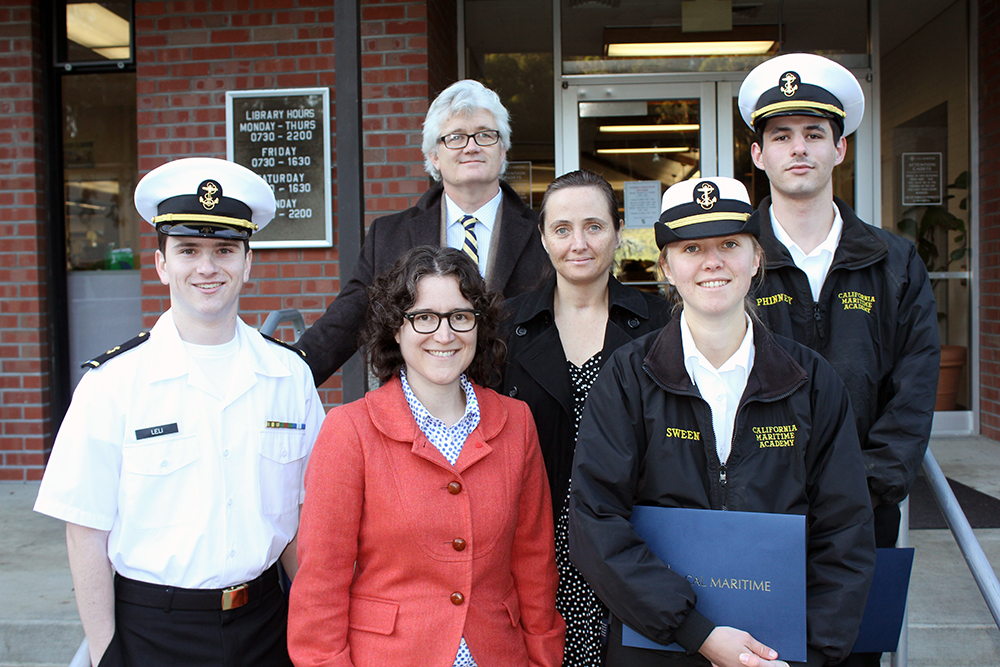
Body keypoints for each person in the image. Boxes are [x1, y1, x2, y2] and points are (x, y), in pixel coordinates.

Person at [569, 177, 875, 667]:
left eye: (730, 244)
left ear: (757, 259)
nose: (713, 262)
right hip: (659, 646)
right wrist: (696, 632)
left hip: (782, 653)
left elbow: (846, 530)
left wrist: (811, 652)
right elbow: (595, 519)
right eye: (692, 248)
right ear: (666, 266)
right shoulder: (628, 377)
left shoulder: (811, 381)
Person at [33, 157, 325, 667]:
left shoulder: (288, 376)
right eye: (188, 249)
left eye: (225, 250)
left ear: (248, 263)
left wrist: (318, 626)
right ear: (162, 263)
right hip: (153, 632)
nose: (207, 267)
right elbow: (85, 531)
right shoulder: (113, 383)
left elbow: (302, 518)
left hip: (267, 625)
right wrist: (107, 655)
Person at [738, 53, 940, 662]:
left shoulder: (893, 261)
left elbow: (914, 389)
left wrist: (869, 485)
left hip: (862, 514)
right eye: (781, 136)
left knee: (852, 654)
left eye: (814, 135)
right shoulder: (729, 256)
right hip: (756, 514)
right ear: (759, 155)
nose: (798, 149)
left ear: (839, 149)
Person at [288, 246, 565, 667]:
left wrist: (544, 659)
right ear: (395, 330)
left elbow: (534, 563)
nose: (444, 334)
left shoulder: (516, 421)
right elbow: (320, 586)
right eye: (424, 317)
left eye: (460, 315)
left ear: (478, 325)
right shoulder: (350, 430)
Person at [500, 169, 671, 666]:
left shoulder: (660, 323)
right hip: (536, 548)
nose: (579, 242)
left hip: (635, 546)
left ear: (618, 232)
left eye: (594, 226)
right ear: (543, 237)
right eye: (562, 228)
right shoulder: (505, 327)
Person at [295, 79, 549, 385]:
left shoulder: (545, 234)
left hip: (523, 412)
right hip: (421, 416)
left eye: (485, 135)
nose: (471, 146)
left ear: (503, 148)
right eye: (455, 137)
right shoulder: (389, 236)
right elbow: (348, 319)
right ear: (433, 156)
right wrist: (291, 373)